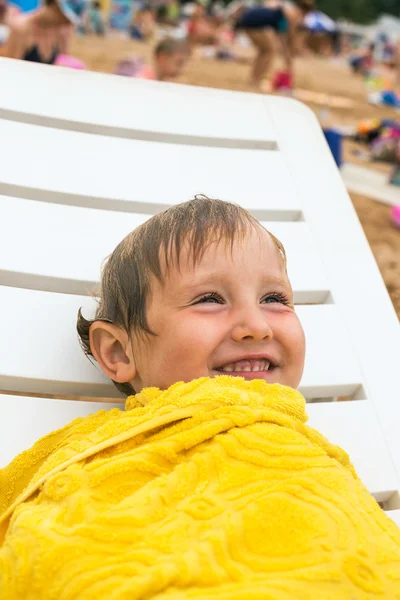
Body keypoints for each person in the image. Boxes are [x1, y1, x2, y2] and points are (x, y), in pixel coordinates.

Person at [1, 196, 400, 598]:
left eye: (274, 299)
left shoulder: (307, 452)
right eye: (210, 299)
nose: (257, 326)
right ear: (120, 353)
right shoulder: (94, 453)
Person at [230, 0, 314, 88]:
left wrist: (287, 55)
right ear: (303, 12)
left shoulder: (288, 10)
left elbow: (283, 37)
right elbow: (287, 39)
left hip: (248, 20)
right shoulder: (291, 15)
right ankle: (256, 79)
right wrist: (288, 60)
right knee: (269, 51)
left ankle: (254, 78)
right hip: (252, 23)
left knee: (264, 51)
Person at [0, 0, 84, 63]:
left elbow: (61, 64)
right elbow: (11, 73)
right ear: (55, 7)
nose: (67, 24)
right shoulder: (21, 29)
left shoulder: (61, 32)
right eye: (66, 19)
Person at [115, 37, 188, 81]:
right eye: (178, 63)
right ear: (162, 57)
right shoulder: (141, 79)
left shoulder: (158, 82)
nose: (181, 69)